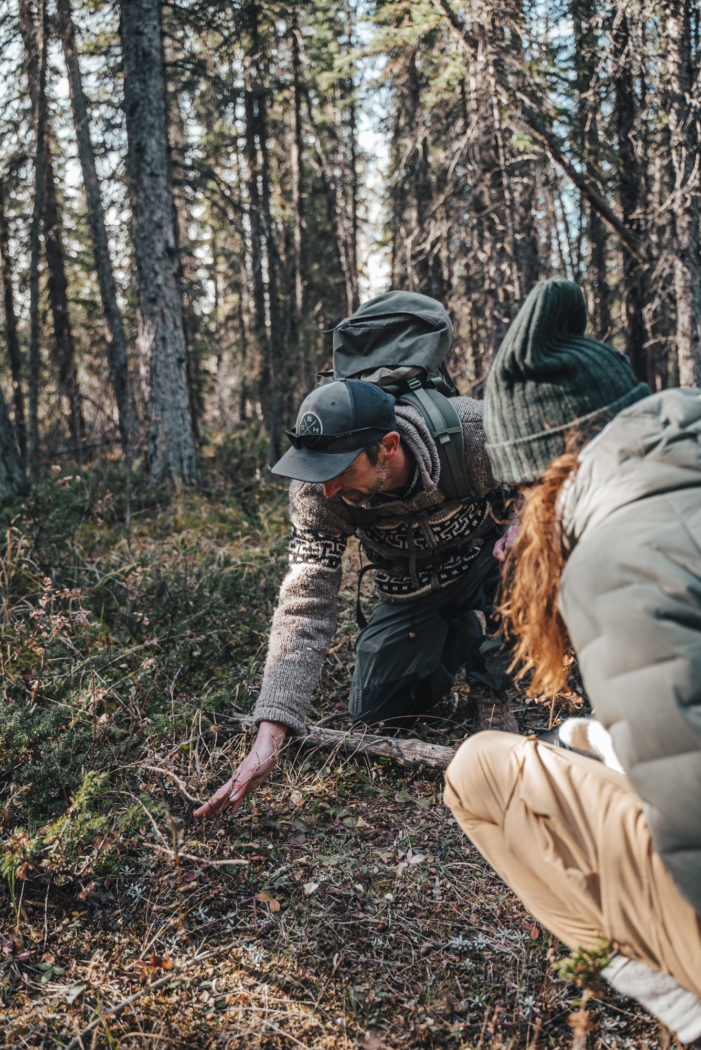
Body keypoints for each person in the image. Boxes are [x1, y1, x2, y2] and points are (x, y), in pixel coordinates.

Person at [444, 277, 701, 1044]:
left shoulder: (618, 563)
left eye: (518, 496)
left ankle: (684, 1011)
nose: (513, 531)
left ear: (552, 471)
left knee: (481, 773)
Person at [196, 323, 518, 821]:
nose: (325, 490)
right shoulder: (315, 487)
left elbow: (551, 471)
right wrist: (272, 731)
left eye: (339, 474)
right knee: (374, 712)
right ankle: (458, 634)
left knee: (531, 555)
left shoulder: (472, 431)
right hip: (410, 589)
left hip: (487, 566)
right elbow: (306, 600)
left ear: (387, 446)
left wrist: (526, 522)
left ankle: (492, 688)